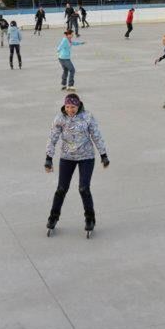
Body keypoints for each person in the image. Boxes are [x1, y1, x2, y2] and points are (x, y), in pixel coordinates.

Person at [44, 94, 110, 236]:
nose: (70, 110)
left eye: (73, 107)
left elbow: (96, 135)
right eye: (67, 107)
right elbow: (52, 137)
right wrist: (49, 157)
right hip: (67, 157)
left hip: (86, 157)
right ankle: (53, 217)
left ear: (78, 105)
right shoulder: (60, 119)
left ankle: (90, 219)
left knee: (84, 188)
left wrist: (103, 155)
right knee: (61, 188)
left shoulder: (87, 117)